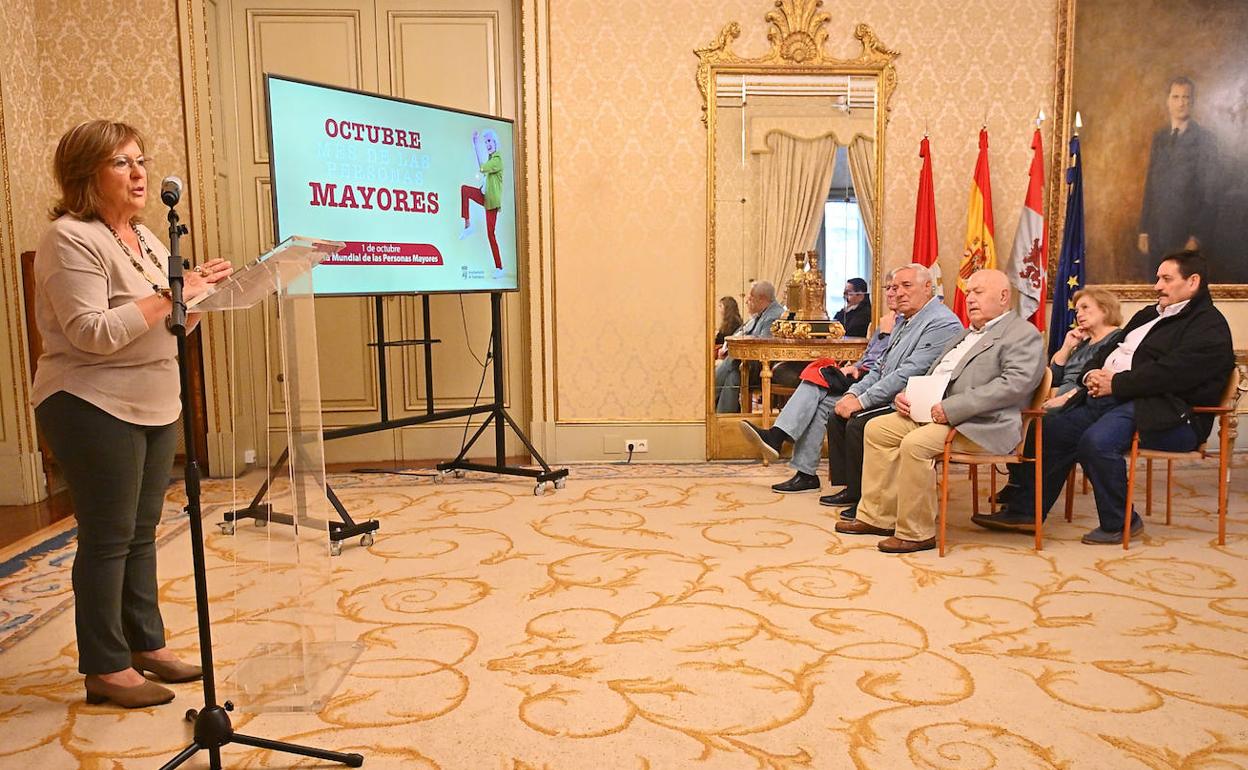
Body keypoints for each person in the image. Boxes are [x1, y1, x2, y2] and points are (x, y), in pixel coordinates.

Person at [30, 120, 234, 708]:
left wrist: (200, 299)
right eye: (121, 163)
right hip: (91, 401)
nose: (140, 173)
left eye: (140, 160)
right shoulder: (69, 238)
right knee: (108, 536)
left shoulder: (145, 239)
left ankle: (146, 645)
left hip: (152, 399)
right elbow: (91, 333)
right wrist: (175, 293)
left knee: (141, 532)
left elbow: (171, 322)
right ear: (85, 175)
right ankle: (104, 665)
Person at [982, 251, 1234, 544]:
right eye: (1157, 278)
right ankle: (1026, 511)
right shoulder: (1148, 315)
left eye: (1166, 279)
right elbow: (1105, 351)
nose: (1157, 286)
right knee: (1050, 428)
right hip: (1118, 400)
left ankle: (1121, 522)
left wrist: (1117, 383)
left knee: (1096, 441)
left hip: (1172, 414)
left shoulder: (1209, 326)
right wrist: (1090, 376)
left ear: (1192, 282)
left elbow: (1172, 374)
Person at [835, 269, 1045, 554]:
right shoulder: (965, 334)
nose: (969, 298)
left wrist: (952, 408)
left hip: (981, 423)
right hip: (935, 412)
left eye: (978, 292)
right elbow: (934, 373)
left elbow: (1014, 385)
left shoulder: (1022, 334)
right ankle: (878, 517)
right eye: (968, 292)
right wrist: (907, 397)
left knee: (915, 444)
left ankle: (916, 531)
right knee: (878, 429)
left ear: (1004, 296)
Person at [740, 265, 962, 500]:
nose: (896, 293)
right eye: (893, 288)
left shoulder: (939, 322)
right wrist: (853, 393)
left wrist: (860, 399)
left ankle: (853, 489)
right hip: (873, 380)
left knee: (829, 396)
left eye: (905, 286)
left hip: (908, 397)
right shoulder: (904, 320)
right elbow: (878, 364)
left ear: (928, 287)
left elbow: (906, 373)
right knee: (823, 398)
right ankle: (810, 473)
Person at [1137, 77, 1218, 275]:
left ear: (1193, 102)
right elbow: (1151, 186)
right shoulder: (1160, 137)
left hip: (1185, 236)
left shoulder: (1205, 140)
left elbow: (1211, 194)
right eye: (1176, 97)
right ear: (1168, 101)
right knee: (1157, 291)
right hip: (1156, 234)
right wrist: (1144, 229)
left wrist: (1197, 237)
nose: (1181, 102)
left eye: (1186, 97)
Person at [714, 281, 785, 413]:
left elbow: (763, 344)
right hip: (749, 365)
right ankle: (724, 418)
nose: (747, 300)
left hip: (764, 368)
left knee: (733, 361)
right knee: (733, 375)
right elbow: (740, 332)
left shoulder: (774, 315)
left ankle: (710, 393)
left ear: (762, 299)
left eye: (750, 297)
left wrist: (734, 345)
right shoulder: (760, 314)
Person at [459, 128, 505, 277]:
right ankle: (468, 225)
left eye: (489, 141)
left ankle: (499, 268)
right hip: (483, 195)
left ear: (495, 142)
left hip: (490, 202)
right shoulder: (491, 160)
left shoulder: (497, 160)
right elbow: (482, 168)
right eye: (485, 142)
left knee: (491, 234)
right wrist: (475, 144)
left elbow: (482, 168)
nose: (488, 144)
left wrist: (475, 146)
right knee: (465, 190)